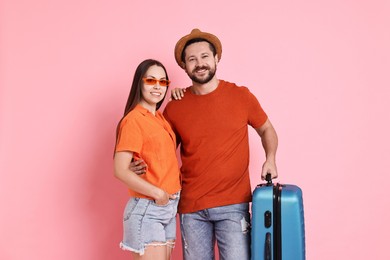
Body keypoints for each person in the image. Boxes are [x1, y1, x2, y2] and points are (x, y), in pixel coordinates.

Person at [131, 29, 278, 260]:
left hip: (233, 205)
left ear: (216, 58)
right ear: (184, 66)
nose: (199, 63)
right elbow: (158, 147)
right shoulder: (175, 107)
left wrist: (270, 159)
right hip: (191, 208)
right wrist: (134, 162)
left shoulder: (241, 96)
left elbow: (266, 128)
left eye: (204, 56)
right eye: (192, 59)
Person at [113, 59, 181, 260]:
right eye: (151, 81)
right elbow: (120, 170)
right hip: (149, 208)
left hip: (167, 207)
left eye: (163, 82)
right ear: (139, 83)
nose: (157, 87)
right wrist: (157, 192)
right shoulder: (134, 120)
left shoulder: (159, 118)